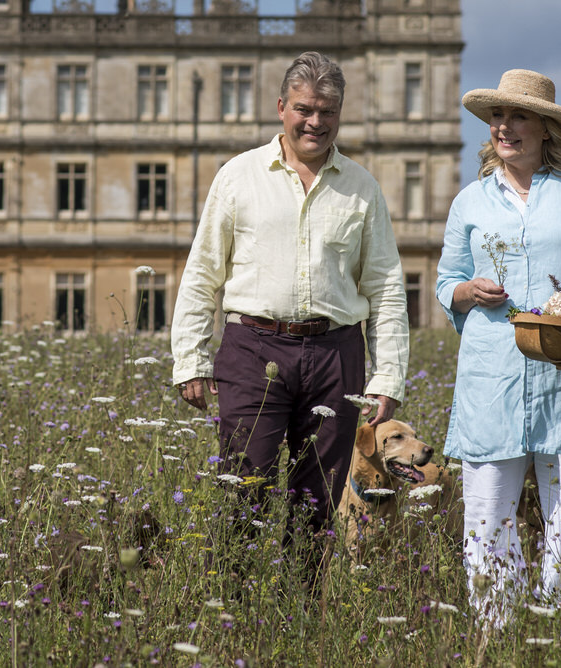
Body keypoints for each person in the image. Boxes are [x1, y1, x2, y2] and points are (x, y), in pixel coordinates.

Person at [171, 51, 409, 569]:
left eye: (327, 111)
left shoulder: (362, 189)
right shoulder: (238, 177)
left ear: (339, 114)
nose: (315, 122)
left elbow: (387, 287)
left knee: (319, 495)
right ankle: (235, 610)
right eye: (304, 109)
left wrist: (388, 375)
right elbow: (203, 272)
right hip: (251, 347)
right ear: (282, 107)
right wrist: (190, 360)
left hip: (336, 355)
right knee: (244, 483)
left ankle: (300, 612)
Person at [435, 69, 561, 627]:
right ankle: (497, 640)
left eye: (518, 116)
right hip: (491, 380)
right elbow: (444, 280)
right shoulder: (470, 201)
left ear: (548, 129)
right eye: (497, 117)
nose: (505, 126)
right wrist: (465, 291)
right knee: (487, 519)